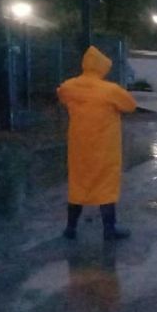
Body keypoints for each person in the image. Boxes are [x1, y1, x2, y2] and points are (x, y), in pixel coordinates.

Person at [57, 46, 137, 241]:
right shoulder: (110, 90)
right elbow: (130, 105)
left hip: (78, 146)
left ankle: (70, 228)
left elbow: (61, 94)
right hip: (104, 147)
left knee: (78, 184)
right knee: (105, 186)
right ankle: (109, 228)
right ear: (102, 67)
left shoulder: (70, 87)